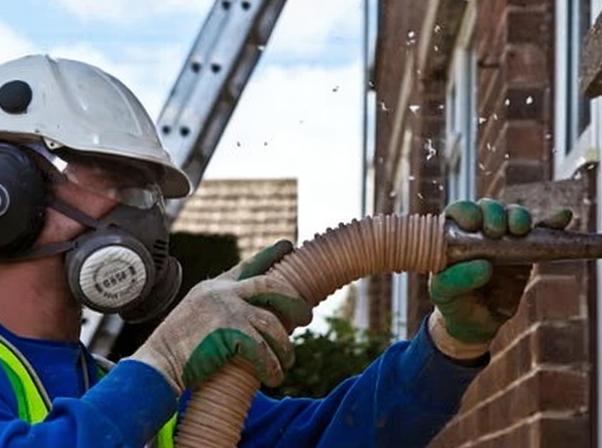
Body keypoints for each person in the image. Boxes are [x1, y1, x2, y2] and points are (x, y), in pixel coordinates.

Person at [0, 55, 571, 447]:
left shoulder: (122, 393)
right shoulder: (144, 388)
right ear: (10, 190)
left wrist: (451, 343)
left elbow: (340, 436)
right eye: (111, 178)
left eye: (143, 192)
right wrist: (165, 359)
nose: (139, 214)